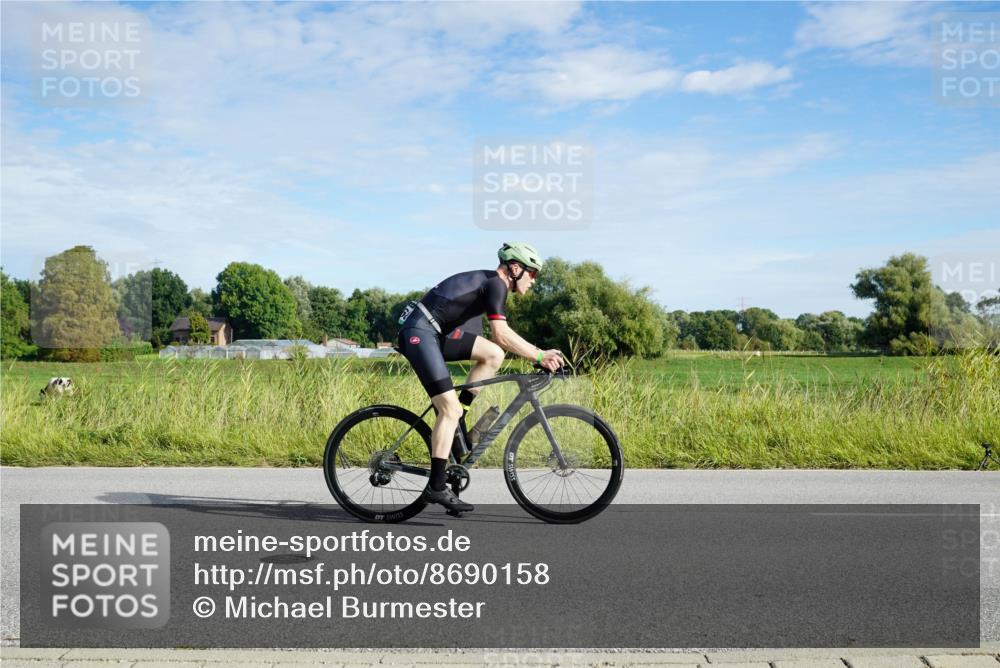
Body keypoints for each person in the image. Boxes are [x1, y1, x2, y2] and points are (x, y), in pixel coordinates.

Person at [396, 242, 564, 513]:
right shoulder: (496, 283)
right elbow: (502, 333)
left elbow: (498, 343)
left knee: (494, 355)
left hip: (436, 333)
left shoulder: (491, 284)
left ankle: (460, 417)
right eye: (532, 274)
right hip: (419, 333)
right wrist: (538, 355)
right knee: (447, 410)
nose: (533, 281)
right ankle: (436, 487)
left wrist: (538, 353)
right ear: (515, 268)